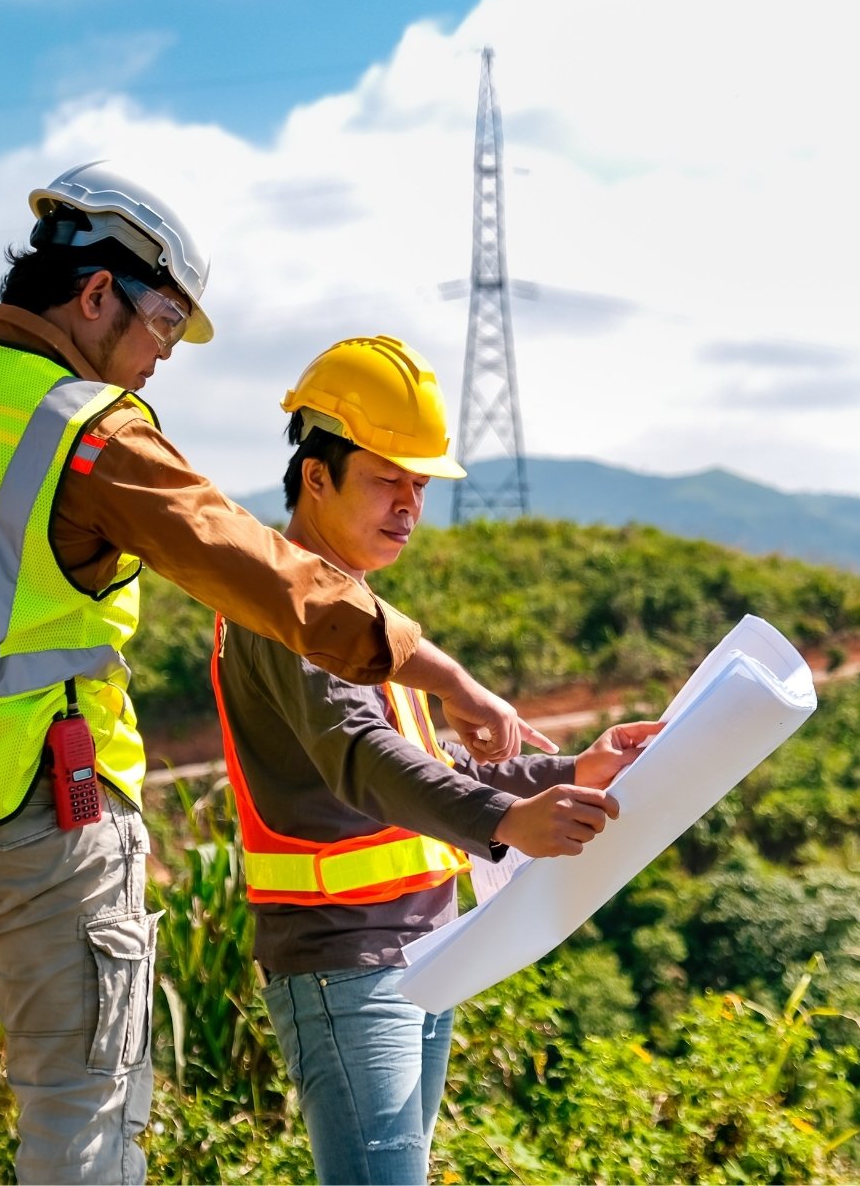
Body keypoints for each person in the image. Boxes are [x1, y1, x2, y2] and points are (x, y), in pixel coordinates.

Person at [0, 162, 549, 1185]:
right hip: (42, 816)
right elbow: (256, 567)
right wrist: (440, 670)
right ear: (96, 292)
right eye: (162, 324)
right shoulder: (83, 425)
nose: (160, 359)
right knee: (82, 1116)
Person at [210, 334, 661, 1186]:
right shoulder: (288, 611)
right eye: (388, 479)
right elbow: (362, 756)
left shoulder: (368, 618)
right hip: (346, 963)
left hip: (423, 946)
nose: (410, 506)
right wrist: (505, 823)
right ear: (315, 475)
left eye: (419, 486)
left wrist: (572, 773)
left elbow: (430, 768)